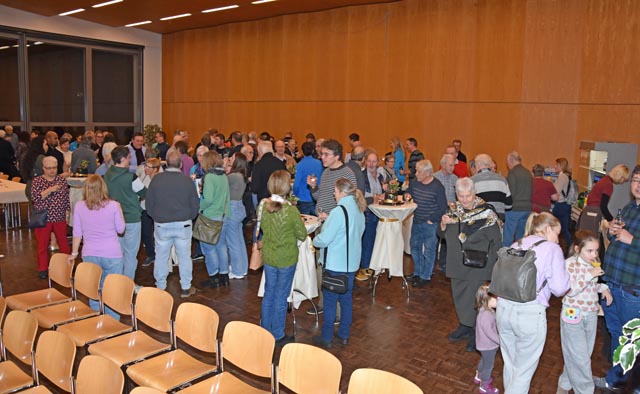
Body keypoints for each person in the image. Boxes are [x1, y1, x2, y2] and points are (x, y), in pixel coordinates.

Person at [496, 212, 570, 393]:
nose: (557, 240)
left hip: (503, 309)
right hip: (530, 313)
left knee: (511, 364)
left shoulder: (517, 243)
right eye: (556, 234)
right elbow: (560, 288)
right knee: (523, 371)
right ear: (547, 229)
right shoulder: (552, 249)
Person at [439, 177, 502, 352]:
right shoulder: (452, 211)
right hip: (456, 263)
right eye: (462, 196)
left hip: (478, 265)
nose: (465, 199)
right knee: (460, 299)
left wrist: (493, 267)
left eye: (468, 195)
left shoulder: (487, 214)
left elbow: (497, 241)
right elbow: (442, 235)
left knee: (477, 301)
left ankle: (478, 333)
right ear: (457, 195)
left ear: (474, 193)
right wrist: (443, 224)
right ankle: (465, 326)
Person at [595, 165, 640, 391]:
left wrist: (631, 239)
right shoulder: (631, 208)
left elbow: (631, 241)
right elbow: (619, 240)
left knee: (632, 341)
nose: (638, 185)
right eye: (635, 180)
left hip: (633, 288)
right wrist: (613, 231)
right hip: (612, 283)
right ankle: (616, 380)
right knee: (617, 334)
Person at [312, 178, 366, 349]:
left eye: (335, 192)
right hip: (351, 264)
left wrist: (315, 239)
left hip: (335, 265)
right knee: (346, 300)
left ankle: (326, 337)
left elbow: (325, 239)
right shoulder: (358, 209)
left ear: (342, 192)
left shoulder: (338, 211)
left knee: (329, 301)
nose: (334, 195)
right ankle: (344, 334)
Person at [557, 231, 612, 394]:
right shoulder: (569, 264)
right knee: (580, 359)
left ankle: (563, 386)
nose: (594, 254)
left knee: (580, 356)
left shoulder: (593, 263)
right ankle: (586, 390)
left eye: (596, 250)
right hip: (573, 314)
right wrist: (590, 275)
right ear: (577, 249)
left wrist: (604, 288)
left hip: (591, 314)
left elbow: (591, 286)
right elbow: (570, 290)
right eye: (589, 251)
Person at [259, 170, 307, 344]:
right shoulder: (291, 211)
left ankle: (265, 330)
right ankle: (278, 334)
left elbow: (262, 229)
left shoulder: (262, 206)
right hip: (286, 258)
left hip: (270, 256)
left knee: (269, 293)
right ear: (287, 187)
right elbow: (302, 235)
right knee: (280, 296)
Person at [69, 175, 126, 319]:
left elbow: (77, 233)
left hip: (89, 254)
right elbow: (121, 229)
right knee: (112, 290)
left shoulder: (80, 206)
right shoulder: (113, 205)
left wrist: (74, 253)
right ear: (103, 188)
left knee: (93, 288)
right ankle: (112, 323)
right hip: (112, 254)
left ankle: (96, 319)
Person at [146, 149, 200, 298]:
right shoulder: (187, 181)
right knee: (184, 257)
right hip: (183, 224)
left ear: (166, 162)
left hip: (161, 224)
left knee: (161, 256)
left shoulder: (156, 179)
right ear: (181, 164)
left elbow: (149, 204)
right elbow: (195, 204)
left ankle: (160, 285)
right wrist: (189, 216)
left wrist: (156, 216)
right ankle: (186, 287)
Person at [104, 146, 146, 283]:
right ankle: (127, 284)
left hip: (112, 220)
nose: (130, 161)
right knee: (130, 255)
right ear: (122, 159)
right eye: (128, 158)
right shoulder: (131, 177)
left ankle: (116, 283)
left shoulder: (105, 176)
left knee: (117, 253)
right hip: (131, 219)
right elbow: (144, 193)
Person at [406, 160, 447, 287]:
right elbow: (409, 190)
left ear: (428, 173)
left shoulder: (437, 187)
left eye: (419, 172)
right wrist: (407, 194)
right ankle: (417, 272)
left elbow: (443, 207)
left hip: (431, 224)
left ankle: (426, 276)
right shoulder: (415, 182)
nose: (416, 174)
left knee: (429, 251)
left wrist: (431, 219)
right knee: (414, 247)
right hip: (417, 221)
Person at [30, 156, 71, 278]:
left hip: (59, 217)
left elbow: (65, 198)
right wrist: (50, 190)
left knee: (63, 243)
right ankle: (43, 268)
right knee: (42, 245)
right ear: (43, 168)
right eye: (48, 168)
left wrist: (67, 212)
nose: (52, 171)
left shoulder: (62, 180)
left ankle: (67, 266)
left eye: (54, 168)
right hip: (43, 218)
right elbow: (35, 198)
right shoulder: (37, 181)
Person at [198, 151, 231, 289]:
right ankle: (224, 275)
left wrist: (199, 207)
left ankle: (214, 276)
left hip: (211, 216)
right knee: (221, 246)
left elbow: (209, 199)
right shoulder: (223, 175)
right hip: (224, 215)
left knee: (209, 248)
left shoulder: (210, 177)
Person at [358, 151, 385, 281]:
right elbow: (360, 196)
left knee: (374, 239)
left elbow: (382, 192)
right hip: (367, 212)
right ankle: (364, 266)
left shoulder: (380, 176)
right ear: (365, 162)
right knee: (367, 240)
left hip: (378, 212)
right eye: (369, 161)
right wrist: (375, 197)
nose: (371, 164)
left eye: (374, 161)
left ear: (378, 162)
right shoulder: (362, 176)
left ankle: (371, 264)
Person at [579, 164, 630, 234]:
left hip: (589, 211)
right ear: (620, 176)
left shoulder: (604, 180)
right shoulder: (608, 184)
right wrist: (611, 220)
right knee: (591, 238)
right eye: (623, 179)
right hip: (593, 213)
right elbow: (603, 206)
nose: (622, 182)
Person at [225, 153, 250, 279]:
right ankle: (242, 267)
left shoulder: (233, 176)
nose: (230, 159)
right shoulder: (242, 175)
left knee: (232, 242)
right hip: (239, 207)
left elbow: (221, 183)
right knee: (239, 241)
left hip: (232, 209)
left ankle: (237, 271)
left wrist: (224, 165)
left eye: (232, 158)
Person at [474, 283, 500, 394]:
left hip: (483, 344)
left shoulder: (484, 311)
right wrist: (501, 341)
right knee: (489, 365)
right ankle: (484, 385)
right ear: (488, 299)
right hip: (488, 345)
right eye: (496, 298)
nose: (499, 300)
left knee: (484, 360)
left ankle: (479, 376)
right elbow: (489, 333)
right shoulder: (486, 315)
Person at [503, 151, 533, 246]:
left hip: (515, 208)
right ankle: (520, 256)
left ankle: (505, 255)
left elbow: (511, 192)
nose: (507, 165)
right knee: (521, 237)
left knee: (508, 236)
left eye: (507, 162)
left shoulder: (512, 173)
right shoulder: (528, 172)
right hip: (527, 208)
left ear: (511, 160)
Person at [139, 158, 162, 267]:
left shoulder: (160, 179)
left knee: (159, 233)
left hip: (157, 209)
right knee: (146, 233)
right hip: (145, 208)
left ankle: (161, 255)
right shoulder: (143, 177)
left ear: (156, 169)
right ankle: (150, 254)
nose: (146, 168)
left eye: (149, 167)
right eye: (145, 166)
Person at [293, 142, 323, 216]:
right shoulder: (319, 163)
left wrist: (296, 194)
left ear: (302, 152)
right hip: (316, 197)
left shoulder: (299, 165)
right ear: (313, 151)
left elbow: (296, 184)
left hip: (303, 198)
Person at [552, 157, 573, 251]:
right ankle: (569, 246)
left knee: (557, 227)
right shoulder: (565, 176)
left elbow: (555, 191)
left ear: (561, 166)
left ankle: (568, 246)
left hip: (560, 205)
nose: (555, 166)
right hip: (564, 205)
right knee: (563, 228)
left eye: (557, 164)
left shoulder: (562, 177)